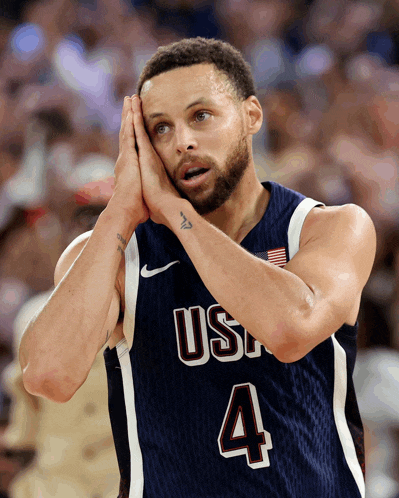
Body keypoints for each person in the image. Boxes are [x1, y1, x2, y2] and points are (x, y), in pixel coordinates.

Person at [19, 38, 376, 498]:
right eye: (160, 129)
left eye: (200, 116)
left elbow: (291, 329)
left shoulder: (327, 228)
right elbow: (48, 376)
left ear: (251, 115)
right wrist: (118, 212)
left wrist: (173, 211)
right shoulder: (114, 252)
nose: (182, 141)